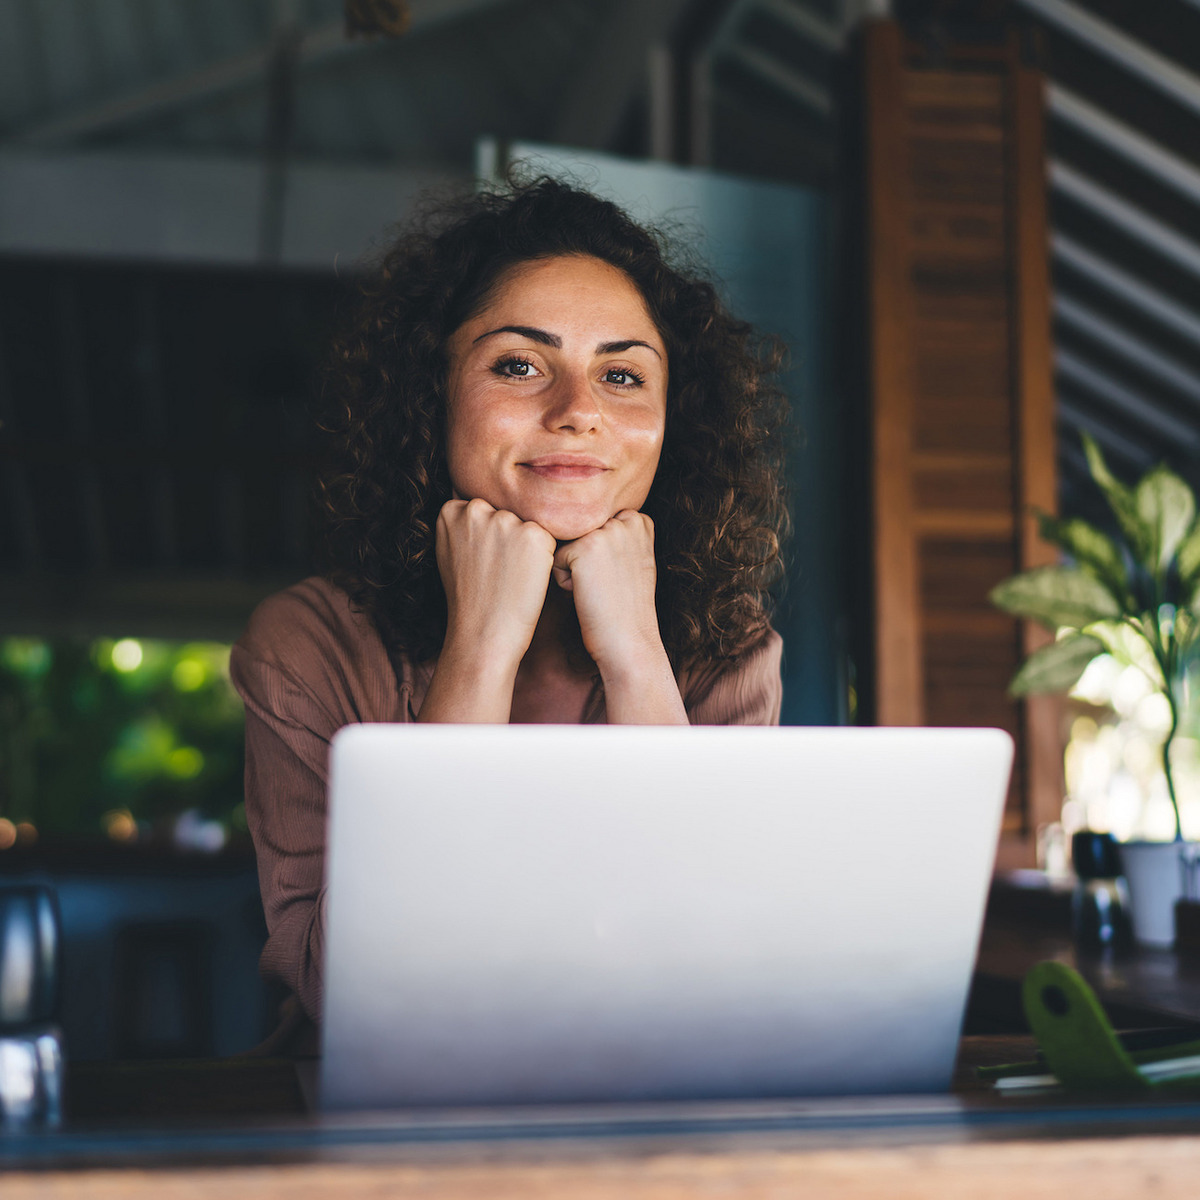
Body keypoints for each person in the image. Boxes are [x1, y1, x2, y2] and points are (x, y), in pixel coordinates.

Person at [230, 176, 791, 1048]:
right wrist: (481, 652)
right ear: (434, 397)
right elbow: (359, 996)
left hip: (635, 1111)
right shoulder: (307, 647)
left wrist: (638, 658)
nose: (579, 413)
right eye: (519, 365)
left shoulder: (729, 649)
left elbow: (705, 971)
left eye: (622, 374)